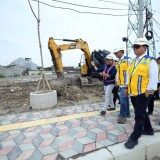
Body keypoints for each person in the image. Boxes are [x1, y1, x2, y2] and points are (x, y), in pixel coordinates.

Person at [124, 38, 158, 149]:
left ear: (145, 47)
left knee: (139, 116)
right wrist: (126, 87)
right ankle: (148, 129)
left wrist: (148, 92)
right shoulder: (134, 61)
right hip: (133, 93)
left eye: (137, 46)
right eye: (134, 46)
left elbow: (154, 77)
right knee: (142, 112)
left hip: (143, 93)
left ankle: (134, 137)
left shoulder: (150, 61)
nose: (135, 49)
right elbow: (130, 76)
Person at [114, 48, 131, 124]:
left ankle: (122, 115)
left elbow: (130, 73)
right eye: (115, 53)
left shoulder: (128, 60)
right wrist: (117, 82)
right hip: (121, 84)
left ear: (121, 52)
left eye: (116, 53)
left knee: (122, 100)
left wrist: (127, 84)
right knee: (126, 99)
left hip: (126, 84)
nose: (115, 54)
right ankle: (127, 113)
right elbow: (118, 73)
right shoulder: (119, 61)